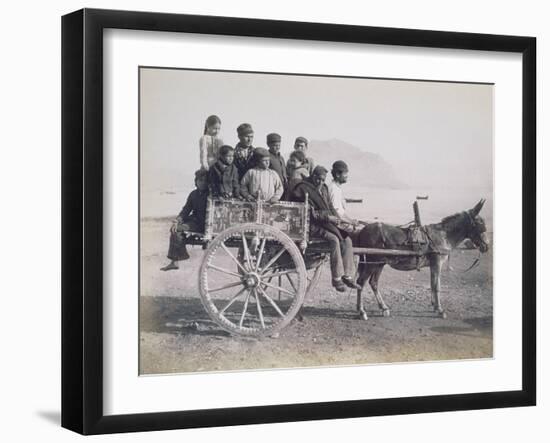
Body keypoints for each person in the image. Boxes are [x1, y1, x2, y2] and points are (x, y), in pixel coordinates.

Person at [291, 166, 359, 292]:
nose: (320, 182)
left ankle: (348, 275)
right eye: (318, 179)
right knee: (334, 239)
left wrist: (340, 219)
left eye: (323, 180)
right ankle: (336, 278)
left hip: (325, 223)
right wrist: (329, 218)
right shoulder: (303, 188)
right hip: (311, 225)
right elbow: (310, 213)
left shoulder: (324, 189)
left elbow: (330, 207)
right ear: (313, 177)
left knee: (347, 239)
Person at [160, 170, 209, 271]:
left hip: (204, 224)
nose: (202, 182)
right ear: (196, 182)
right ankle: (175, 261)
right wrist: (177, 220)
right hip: (194, 222)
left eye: (205, 180)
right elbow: (186, 210)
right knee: (175, 228)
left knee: (177, 230)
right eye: (200, 180)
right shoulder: (193, 194)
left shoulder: (210, 195)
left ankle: (177, 259)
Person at [327, 160, 360, 225]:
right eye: (345, 173)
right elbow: (336, 214)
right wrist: (351, 222)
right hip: (337, 224)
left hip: (341, 222)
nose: (347, 176)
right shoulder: (333, 189)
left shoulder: (337, 188)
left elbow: (341, 213)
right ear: (337, 175)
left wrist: (351, 220)